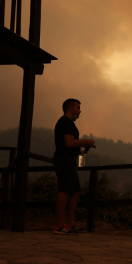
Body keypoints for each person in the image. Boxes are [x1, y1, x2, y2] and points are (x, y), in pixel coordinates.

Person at [53, 99, 95, 235]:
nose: (80, 110)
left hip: (69, 160)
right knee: (64, 190)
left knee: (75, 190)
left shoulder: (67, 123)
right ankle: (59, 225)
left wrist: (83, 147)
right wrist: (85, 141)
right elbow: (69, 143)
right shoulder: (66, 123)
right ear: (70, 108)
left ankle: (70, 223)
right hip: (64, 159)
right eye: (78, 108)